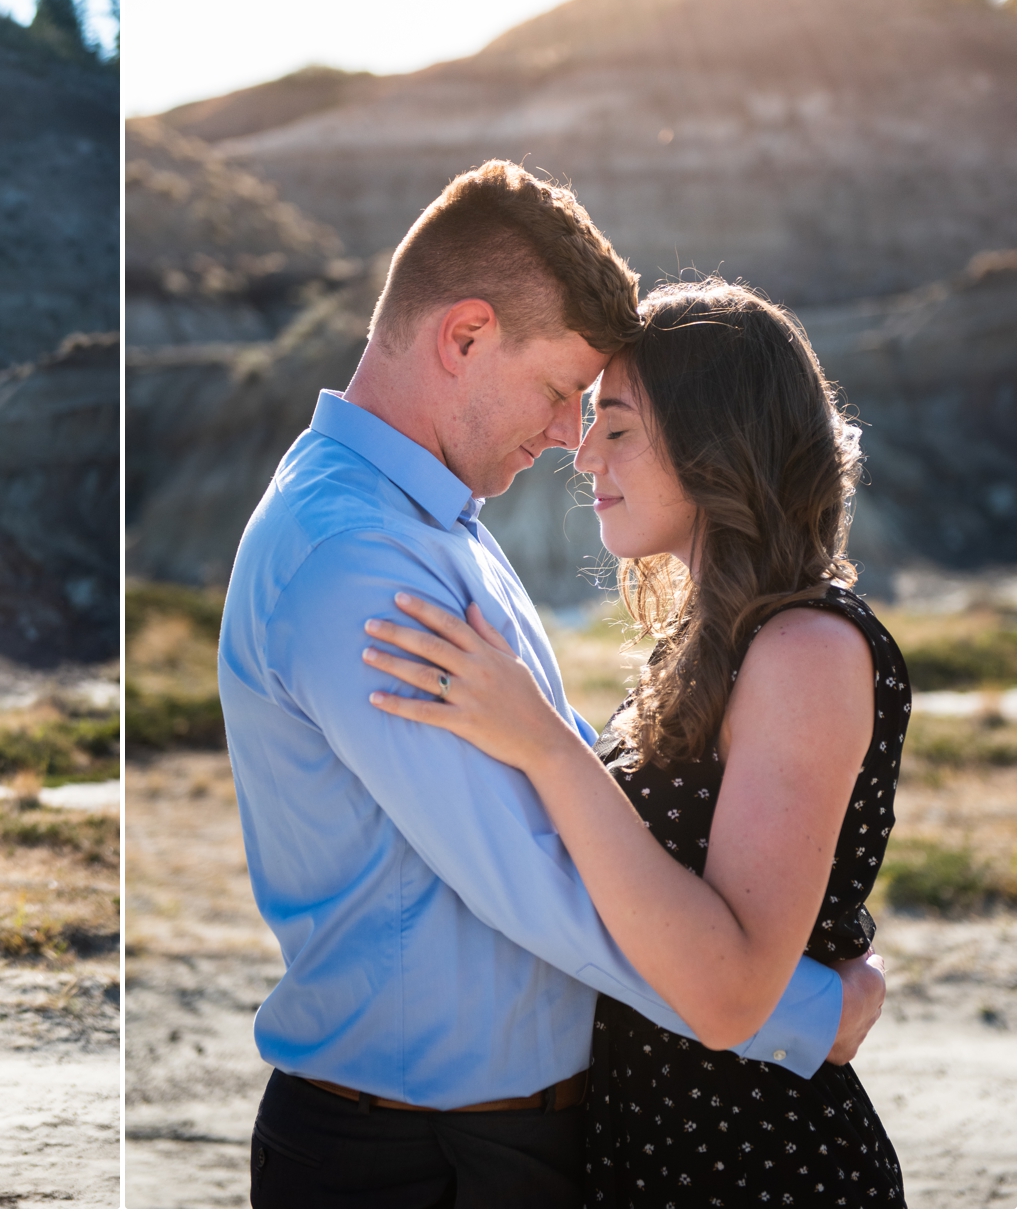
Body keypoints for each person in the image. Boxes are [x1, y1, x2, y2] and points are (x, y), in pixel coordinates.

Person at [216, 161, 887, 1208]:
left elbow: (579, 795)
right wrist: (801, 1014)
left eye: (604, 415)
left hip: (513, 1141)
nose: (570, 435)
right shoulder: (352, 555)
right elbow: (522, 866)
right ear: (467, 336)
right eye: (562, 391)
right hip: (412, 1159)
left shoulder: (439, 530)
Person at [362, 280, 906, 1205]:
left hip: (755, 1165)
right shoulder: (717, 642)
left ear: (715, 442)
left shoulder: (806, 649)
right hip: (651, 1152)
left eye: (616, 425)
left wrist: (544, 742)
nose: (582, 454)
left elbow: (730, 992)